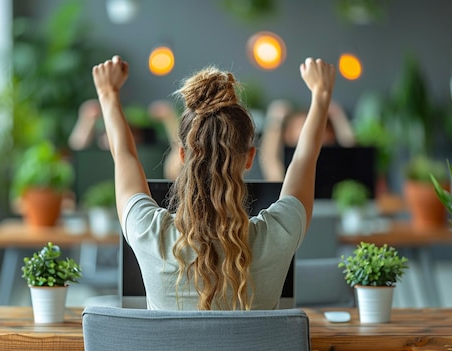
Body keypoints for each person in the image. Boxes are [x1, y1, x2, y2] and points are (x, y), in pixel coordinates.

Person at [92, 55, 335, 310]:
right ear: (249, 158)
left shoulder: (148, 232)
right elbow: (305, 158)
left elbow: (123, 154)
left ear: (182, 155)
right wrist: (321, 94)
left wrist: (108, 92)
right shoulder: (279, 234)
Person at [259, 98, 355, 181]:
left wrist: (337, 114)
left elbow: (350, 148)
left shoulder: (333, 158)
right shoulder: (286, 164)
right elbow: (270, 163)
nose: (308, 131)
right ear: (288, 135)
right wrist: (275, 121)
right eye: (301, 126)